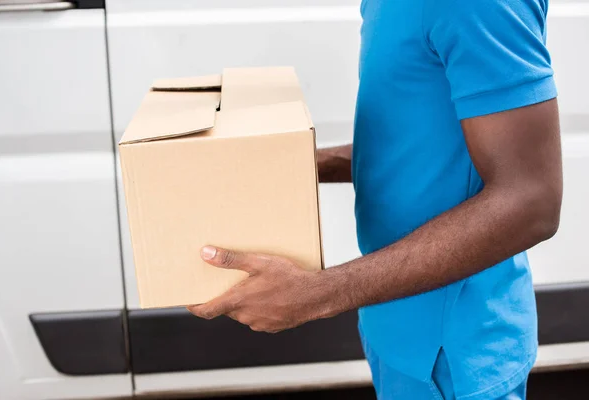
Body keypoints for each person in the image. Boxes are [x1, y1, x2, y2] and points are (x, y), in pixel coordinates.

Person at [188, 0, 563, 398]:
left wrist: (314, 294)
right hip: (394, 327)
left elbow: (530, 200)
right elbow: (419, 143)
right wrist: (297, 166)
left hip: (453, 352)